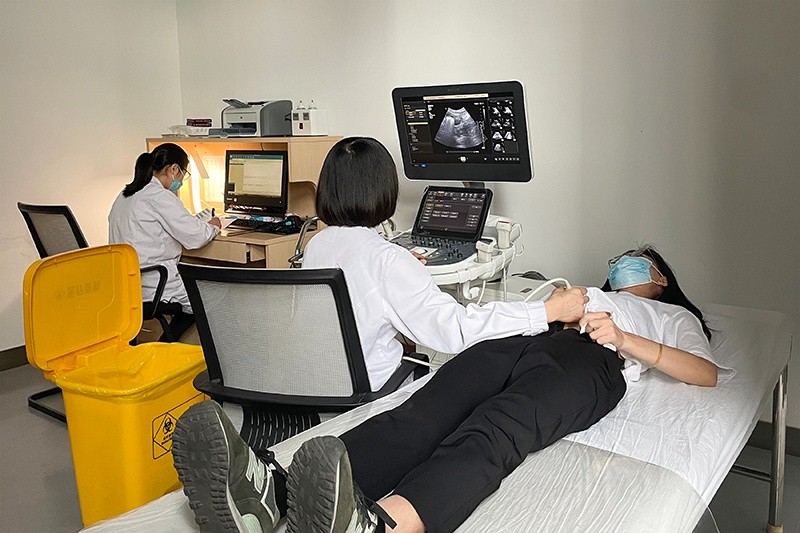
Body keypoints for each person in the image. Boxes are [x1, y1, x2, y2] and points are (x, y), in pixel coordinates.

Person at [300, 136, 588, 391]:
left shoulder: (316, 245)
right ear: (384, 188)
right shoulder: (387, 261)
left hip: (321, 383)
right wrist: (548, 310)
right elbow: (456, 331)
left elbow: (359, 297)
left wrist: (400, 268)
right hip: (371, 388)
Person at [108, 143, 221, 341]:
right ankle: (168, 346)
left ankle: (166, 345)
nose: (182, 181)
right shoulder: (159, 196)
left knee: (198, 298)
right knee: (214, 298)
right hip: (156, 285)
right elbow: (196, 237)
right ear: (174, 169)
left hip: (128, 286)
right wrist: (214, 226)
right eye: (184, 174)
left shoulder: (126, 194)